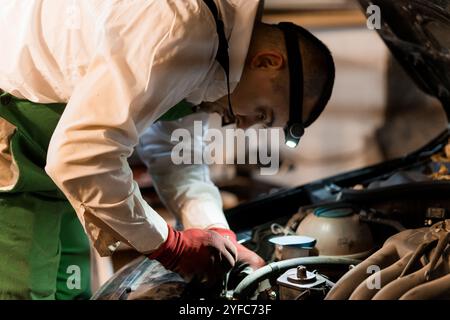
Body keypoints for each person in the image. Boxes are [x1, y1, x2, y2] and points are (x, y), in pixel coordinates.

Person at [0, 0, 335, 299]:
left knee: (71, 291)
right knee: (27, 292)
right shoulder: (181, 29)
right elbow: (80, 157)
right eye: (262, 114)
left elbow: (180, 158)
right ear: (267, 61)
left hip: (53, 173)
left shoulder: (216, 53)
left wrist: (216, 231)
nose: (245, 126)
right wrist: (171, 246)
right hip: (14, 152)